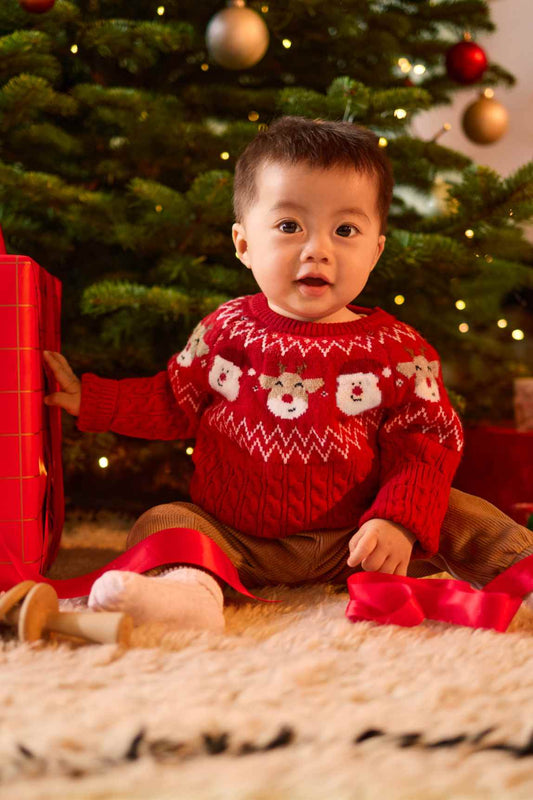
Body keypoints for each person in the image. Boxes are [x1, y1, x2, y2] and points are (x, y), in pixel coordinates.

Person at [44, 117, 533, 633]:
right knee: (165, 520)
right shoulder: (226, 330)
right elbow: (174, 399)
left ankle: (521, 569)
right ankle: (190, 593)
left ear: (376, 250)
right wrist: (91, 400)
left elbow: (428, 442)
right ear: (243, 243)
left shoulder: (397, 349)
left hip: (363, 539)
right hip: (240, 540)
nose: (317, 248)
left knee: (457, 510)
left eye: (345, 230)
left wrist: (398, 520)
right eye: (289, 226)